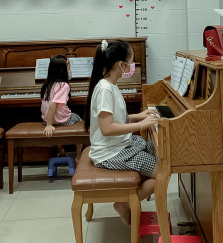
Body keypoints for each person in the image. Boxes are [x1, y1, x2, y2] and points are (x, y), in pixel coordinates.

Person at [84, 40, 159, 226]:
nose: (132, 65)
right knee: (163, 174)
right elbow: (107, 128)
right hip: (109, 153)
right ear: (121, 65)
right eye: (131, 61)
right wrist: (140, 125)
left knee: (152, 150)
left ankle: (132, 191)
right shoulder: (105, 89)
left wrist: (138, 116)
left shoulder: (110, 84)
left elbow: (115, 118)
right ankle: (124, 203)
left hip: (118, 145)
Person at [41, 55, 83, 157]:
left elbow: (67, 77)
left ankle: (60, 149)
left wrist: (48, 123)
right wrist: (49, 125)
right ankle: (78, 155)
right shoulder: (64, 85)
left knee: (59, 118)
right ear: (63, 70)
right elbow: (53, 105)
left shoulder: (47, 83)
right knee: (80, 121)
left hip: (46, 119)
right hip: (59, 121)